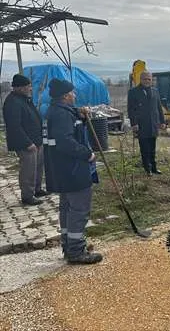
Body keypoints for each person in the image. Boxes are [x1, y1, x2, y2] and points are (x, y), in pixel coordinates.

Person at [43, 78, 102, 264]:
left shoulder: (57, 110)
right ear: (66, 95)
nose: (75, 95)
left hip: (62, 170)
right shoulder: (61, 115)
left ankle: (70, 246)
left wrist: (81, 114)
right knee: (78, 210)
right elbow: (65, 142)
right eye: (73, 93)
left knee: (67, 209)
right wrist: (88, 154)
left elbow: (69, 126)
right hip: (72, 170)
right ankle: (76, 251)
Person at [2, 74, 48, 205]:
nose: (31, 89)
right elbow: (14, 126)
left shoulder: (24, 99)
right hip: (26, 143)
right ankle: (27, 196)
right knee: (28, 169)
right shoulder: (13, 102)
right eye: (28, 86)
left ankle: (37, 189)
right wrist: (27, 143)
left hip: (36, 140)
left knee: (38, 167)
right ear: (21, 88)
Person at [127, 71, 166, 175]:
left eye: (149, 79)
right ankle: (147, 168)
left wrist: (162, 121)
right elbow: (131, 109)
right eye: (145, 79)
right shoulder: (133, 92)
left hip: (153, 124)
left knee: (152, 147)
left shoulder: (155, 91)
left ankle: (154, 167)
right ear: (141, 79)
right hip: (141, 125)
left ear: (151, 80)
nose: (147, 81)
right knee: (144, 148)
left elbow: (159, 107)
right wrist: (134, 123)